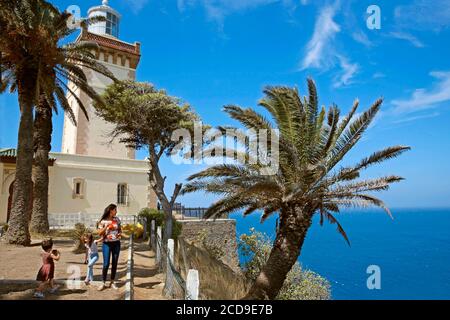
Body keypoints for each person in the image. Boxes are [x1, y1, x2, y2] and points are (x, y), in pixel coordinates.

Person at [97, 204, 122, 291]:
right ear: (111, 210)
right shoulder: (103, 221)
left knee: (114, 263)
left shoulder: (117, 219)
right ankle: (103, 282)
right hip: (106, 244)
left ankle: (112, 282)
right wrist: (107, 227)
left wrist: (119, 234)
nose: (116, 211)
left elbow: (119, 230)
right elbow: (99, 233)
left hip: (116, 244)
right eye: (115, 210)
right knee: (106, 264)